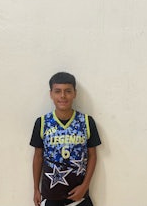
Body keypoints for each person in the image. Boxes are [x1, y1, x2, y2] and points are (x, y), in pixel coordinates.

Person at [30, 72, 101, 206]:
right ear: (51, 94)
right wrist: (35, 189)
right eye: (58, 91)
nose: (63, 96)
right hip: (51, 195)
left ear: (75, 93)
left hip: (79, 196)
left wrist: (85, 186)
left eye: (68, 91)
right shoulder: (42, 123)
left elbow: (92, 156)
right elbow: (38, 157)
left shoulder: (86, 122)